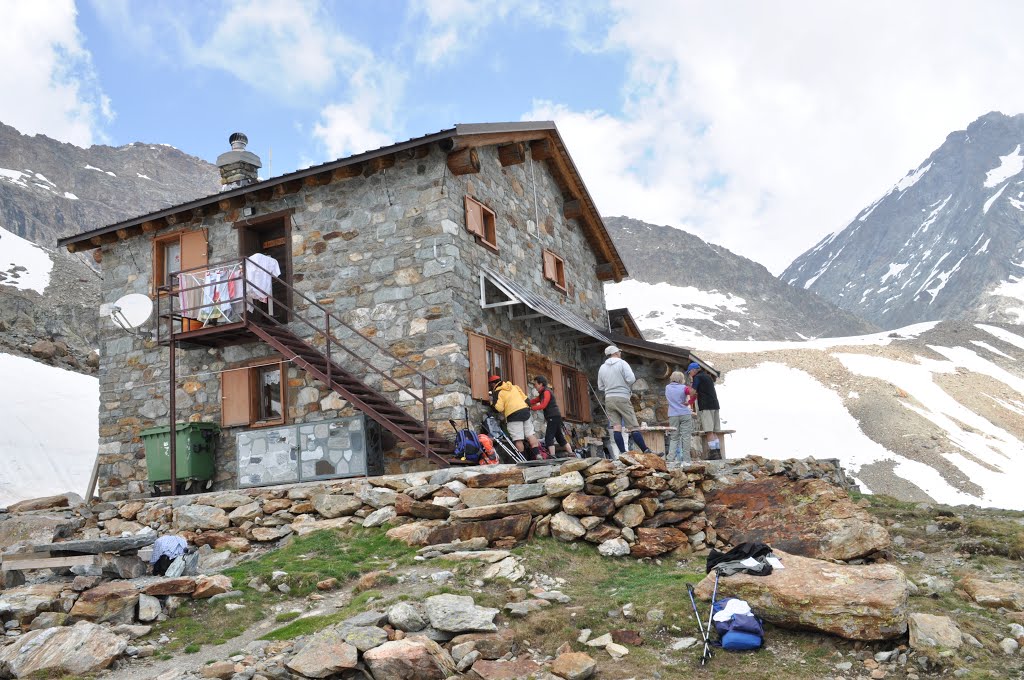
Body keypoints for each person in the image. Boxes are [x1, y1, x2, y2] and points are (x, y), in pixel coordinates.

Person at [597, 346, 652, 455]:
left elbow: (600, 386)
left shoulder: (602, 367)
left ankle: (623, 453)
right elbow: (631, 379)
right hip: (622, 397)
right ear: (616, 353)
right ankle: (646, 450)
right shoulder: (622, 363)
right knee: (633, 426)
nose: (620, 353)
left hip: (609, 399)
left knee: (616, 427)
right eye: (619, 351)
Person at [489, 375, 541, 459]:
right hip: (525, 411)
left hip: (513, 415)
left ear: (493, 384)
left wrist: (491, 403)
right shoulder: (515, 387)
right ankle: (538, 454)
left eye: (490, 385)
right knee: (530, 434)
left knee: (518, 439)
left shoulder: (498, 392)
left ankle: (523, 459)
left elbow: (499, 408)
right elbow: (526, 399)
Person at [529, 376, 574, 457]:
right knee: (559, 437)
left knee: (549, 437)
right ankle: (571, 454)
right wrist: (525, 402)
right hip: (556, 416)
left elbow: (543, 405)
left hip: (552, 416)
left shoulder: (546, 392)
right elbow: (534, 400)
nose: (534, 386)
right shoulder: (543, 392)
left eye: (535, 384)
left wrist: (531, 408)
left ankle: (552, 456)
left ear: (540, 384)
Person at [688, 362, 721, 457]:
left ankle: (713, 453)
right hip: (715, 404)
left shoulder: (697, 377)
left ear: (693, 370)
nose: (689, 374)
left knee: (709, 431)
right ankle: (718, 453)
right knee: (714, 431)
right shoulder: (708, 376)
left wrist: (690, 388)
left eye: (689, 372)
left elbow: (692, 392)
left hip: (705, 406)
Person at [665, 371, 695, 464]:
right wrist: (689, 402)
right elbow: (694, 393)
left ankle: (670, 458)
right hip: (684, 413)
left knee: (674, 437)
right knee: (686, 436)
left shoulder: (667, 387)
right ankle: (686, 460)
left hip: (673, 414)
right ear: (681, 379)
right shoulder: (684, 388)